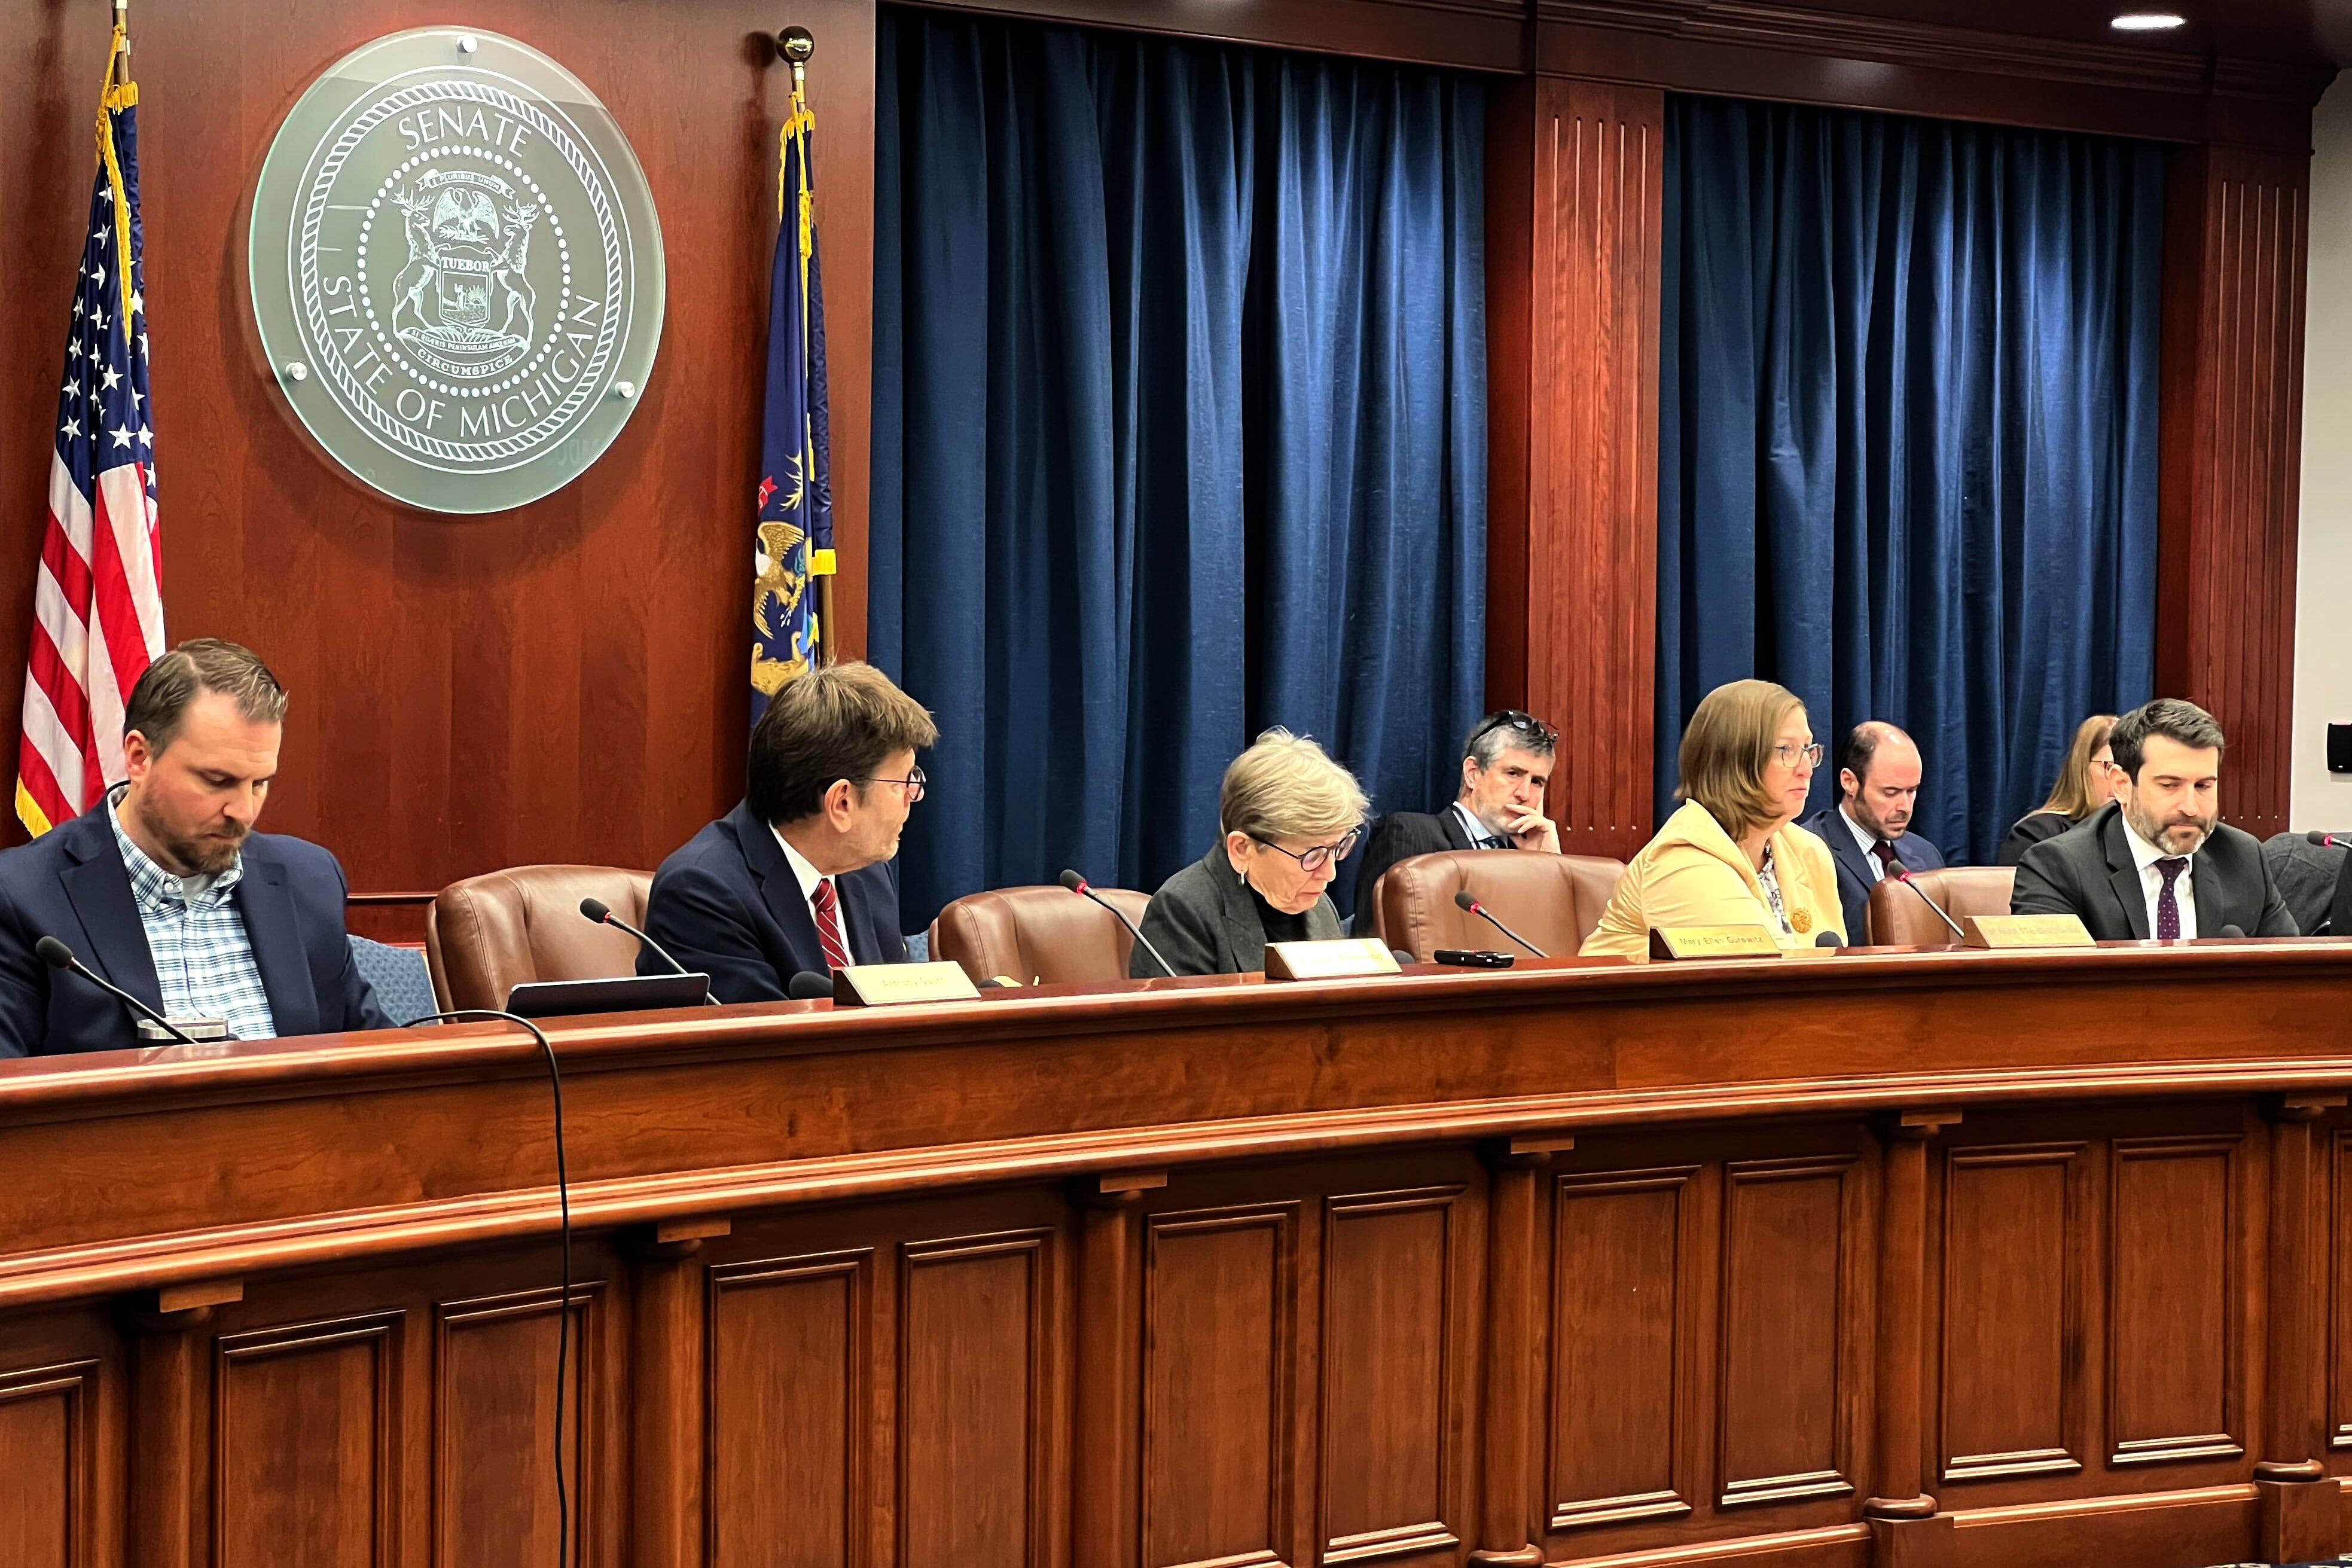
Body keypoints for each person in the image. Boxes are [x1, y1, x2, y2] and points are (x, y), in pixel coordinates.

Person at [0, 639, 391, 1056]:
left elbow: (379, 1063)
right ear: (138, 757)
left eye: (259, 784)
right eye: (217, 781)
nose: (242, 811)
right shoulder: (24, 896)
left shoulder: (308, 879)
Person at [643, 661, 937, 1002]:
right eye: (904, 782)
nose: (914, 795)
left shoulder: (867, 873)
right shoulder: (701, 894)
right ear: (841, 803)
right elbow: (768, 1046)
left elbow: (901, 1017)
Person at [1581, 679, 1844, 959]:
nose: (1807, 769)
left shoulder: (1808, 851)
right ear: (1735, 760)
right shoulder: (1682, 858)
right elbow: (1769, 972)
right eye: (1787, 750)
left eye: (1807, 749)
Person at [2010, 698, 2295, 938]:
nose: (2191, 807)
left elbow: (2294, 977)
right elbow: (2049, 992)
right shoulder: (2058, 867)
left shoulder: (2243, 858)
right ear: (2122, 785)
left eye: (2203, 786)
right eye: (2169, 785)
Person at [1135, 728, 1368, 976]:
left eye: (1338, 848)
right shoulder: (1183, 913)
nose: (1330, 874)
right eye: (1312, 856)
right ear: (1242, 849)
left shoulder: (1320, 907)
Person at [1349, 710, 1559, 932]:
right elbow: (1378, 942)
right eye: (1513, 773)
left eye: (1537, 782)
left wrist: (1548, 865)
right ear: (1473, 774)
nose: (1524, 794)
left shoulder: (1529, 860)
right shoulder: (1411, 833)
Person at [1800, 722, 1945, 944]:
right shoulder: (1809, 850)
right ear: (1850, 782)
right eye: (1891, 793)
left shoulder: (1926, 854)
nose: (1905, 807)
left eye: (1912, 791)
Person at [1996, 714, 2119, 867]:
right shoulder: (2036, 835)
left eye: (2130, 770)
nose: (2121, 780)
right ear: (2081, 768)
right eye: (2111, 767)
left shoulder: (2136, 841)